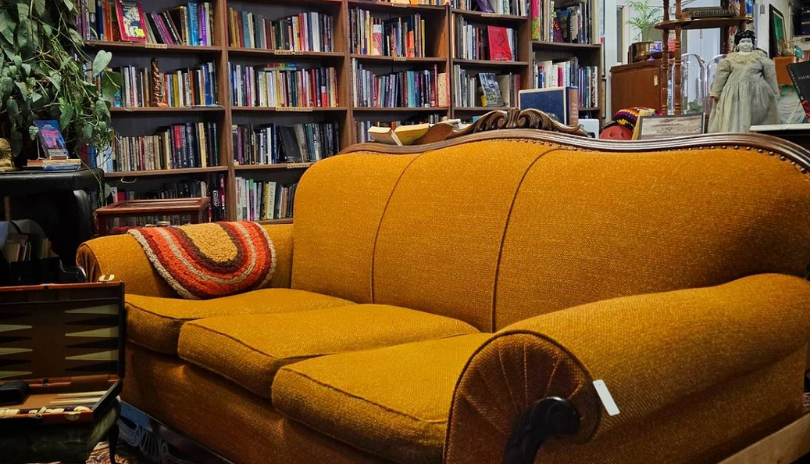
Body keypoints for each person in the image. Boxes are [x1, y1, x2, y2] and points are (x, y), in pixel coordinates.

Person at [708, 30, 779, 133]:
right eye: (743, 41)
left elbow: (770, 75)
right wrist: (716, 92)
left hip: (757, 94)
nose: (746, 44)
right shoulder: (730, 60)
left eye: (749, 41)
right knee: (734, 117)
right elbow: (721, 76)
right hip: (733, 95)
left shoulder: (759, 58)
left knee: (757, 119)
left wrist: (774, 92)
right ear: (738, 43)